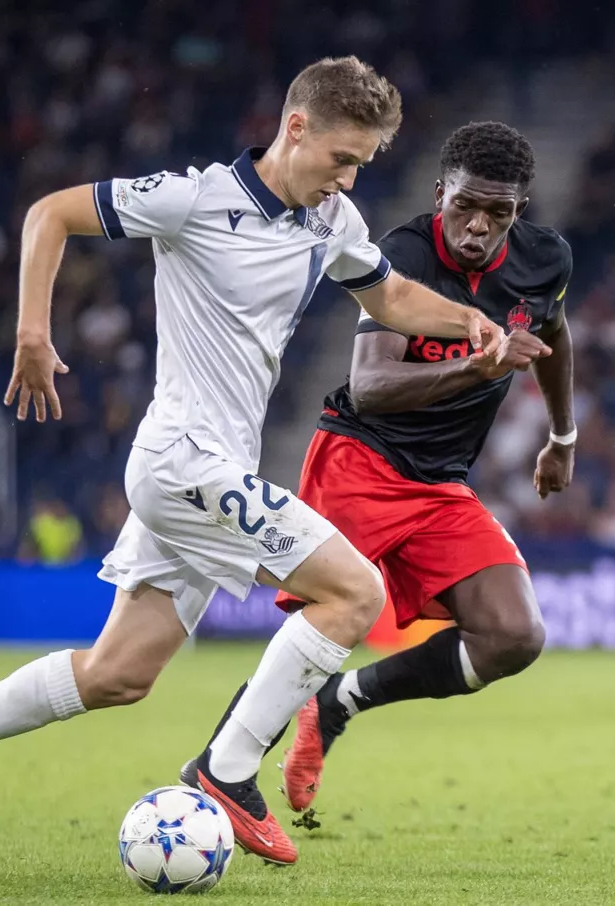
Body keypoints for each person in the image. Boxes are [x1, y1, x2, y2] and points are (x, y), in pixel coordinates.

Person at [0, 57, 513, 865]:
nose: (347, 178)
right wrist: (33, 332)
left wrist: (471, 323)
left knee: (118, 673)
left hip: (215, 470)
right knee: (353, 593)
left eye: (361, 165)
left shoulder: (331, 221)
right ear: (297, 127)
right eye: (341, 158)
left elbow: (387, 296)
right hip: (183, 461)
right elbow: (49, 215)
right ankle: (227, 770)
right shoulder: (193, 199)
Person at [181, 121, 575, 815]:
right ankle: (213, 783)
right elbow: (372, 388)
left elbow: (553, 330)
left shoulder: (546, 260)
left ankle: (341, 702)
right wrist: (478, 364)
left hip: (440, 481)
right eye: (465, 207)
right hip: (359, 460)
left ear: (520, 212)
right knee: (318, 635)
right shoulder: (405, 255)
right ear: (438, 194)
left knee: (514, 635)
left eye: (498, 213)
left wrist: (563, 434)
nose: (478, 228)